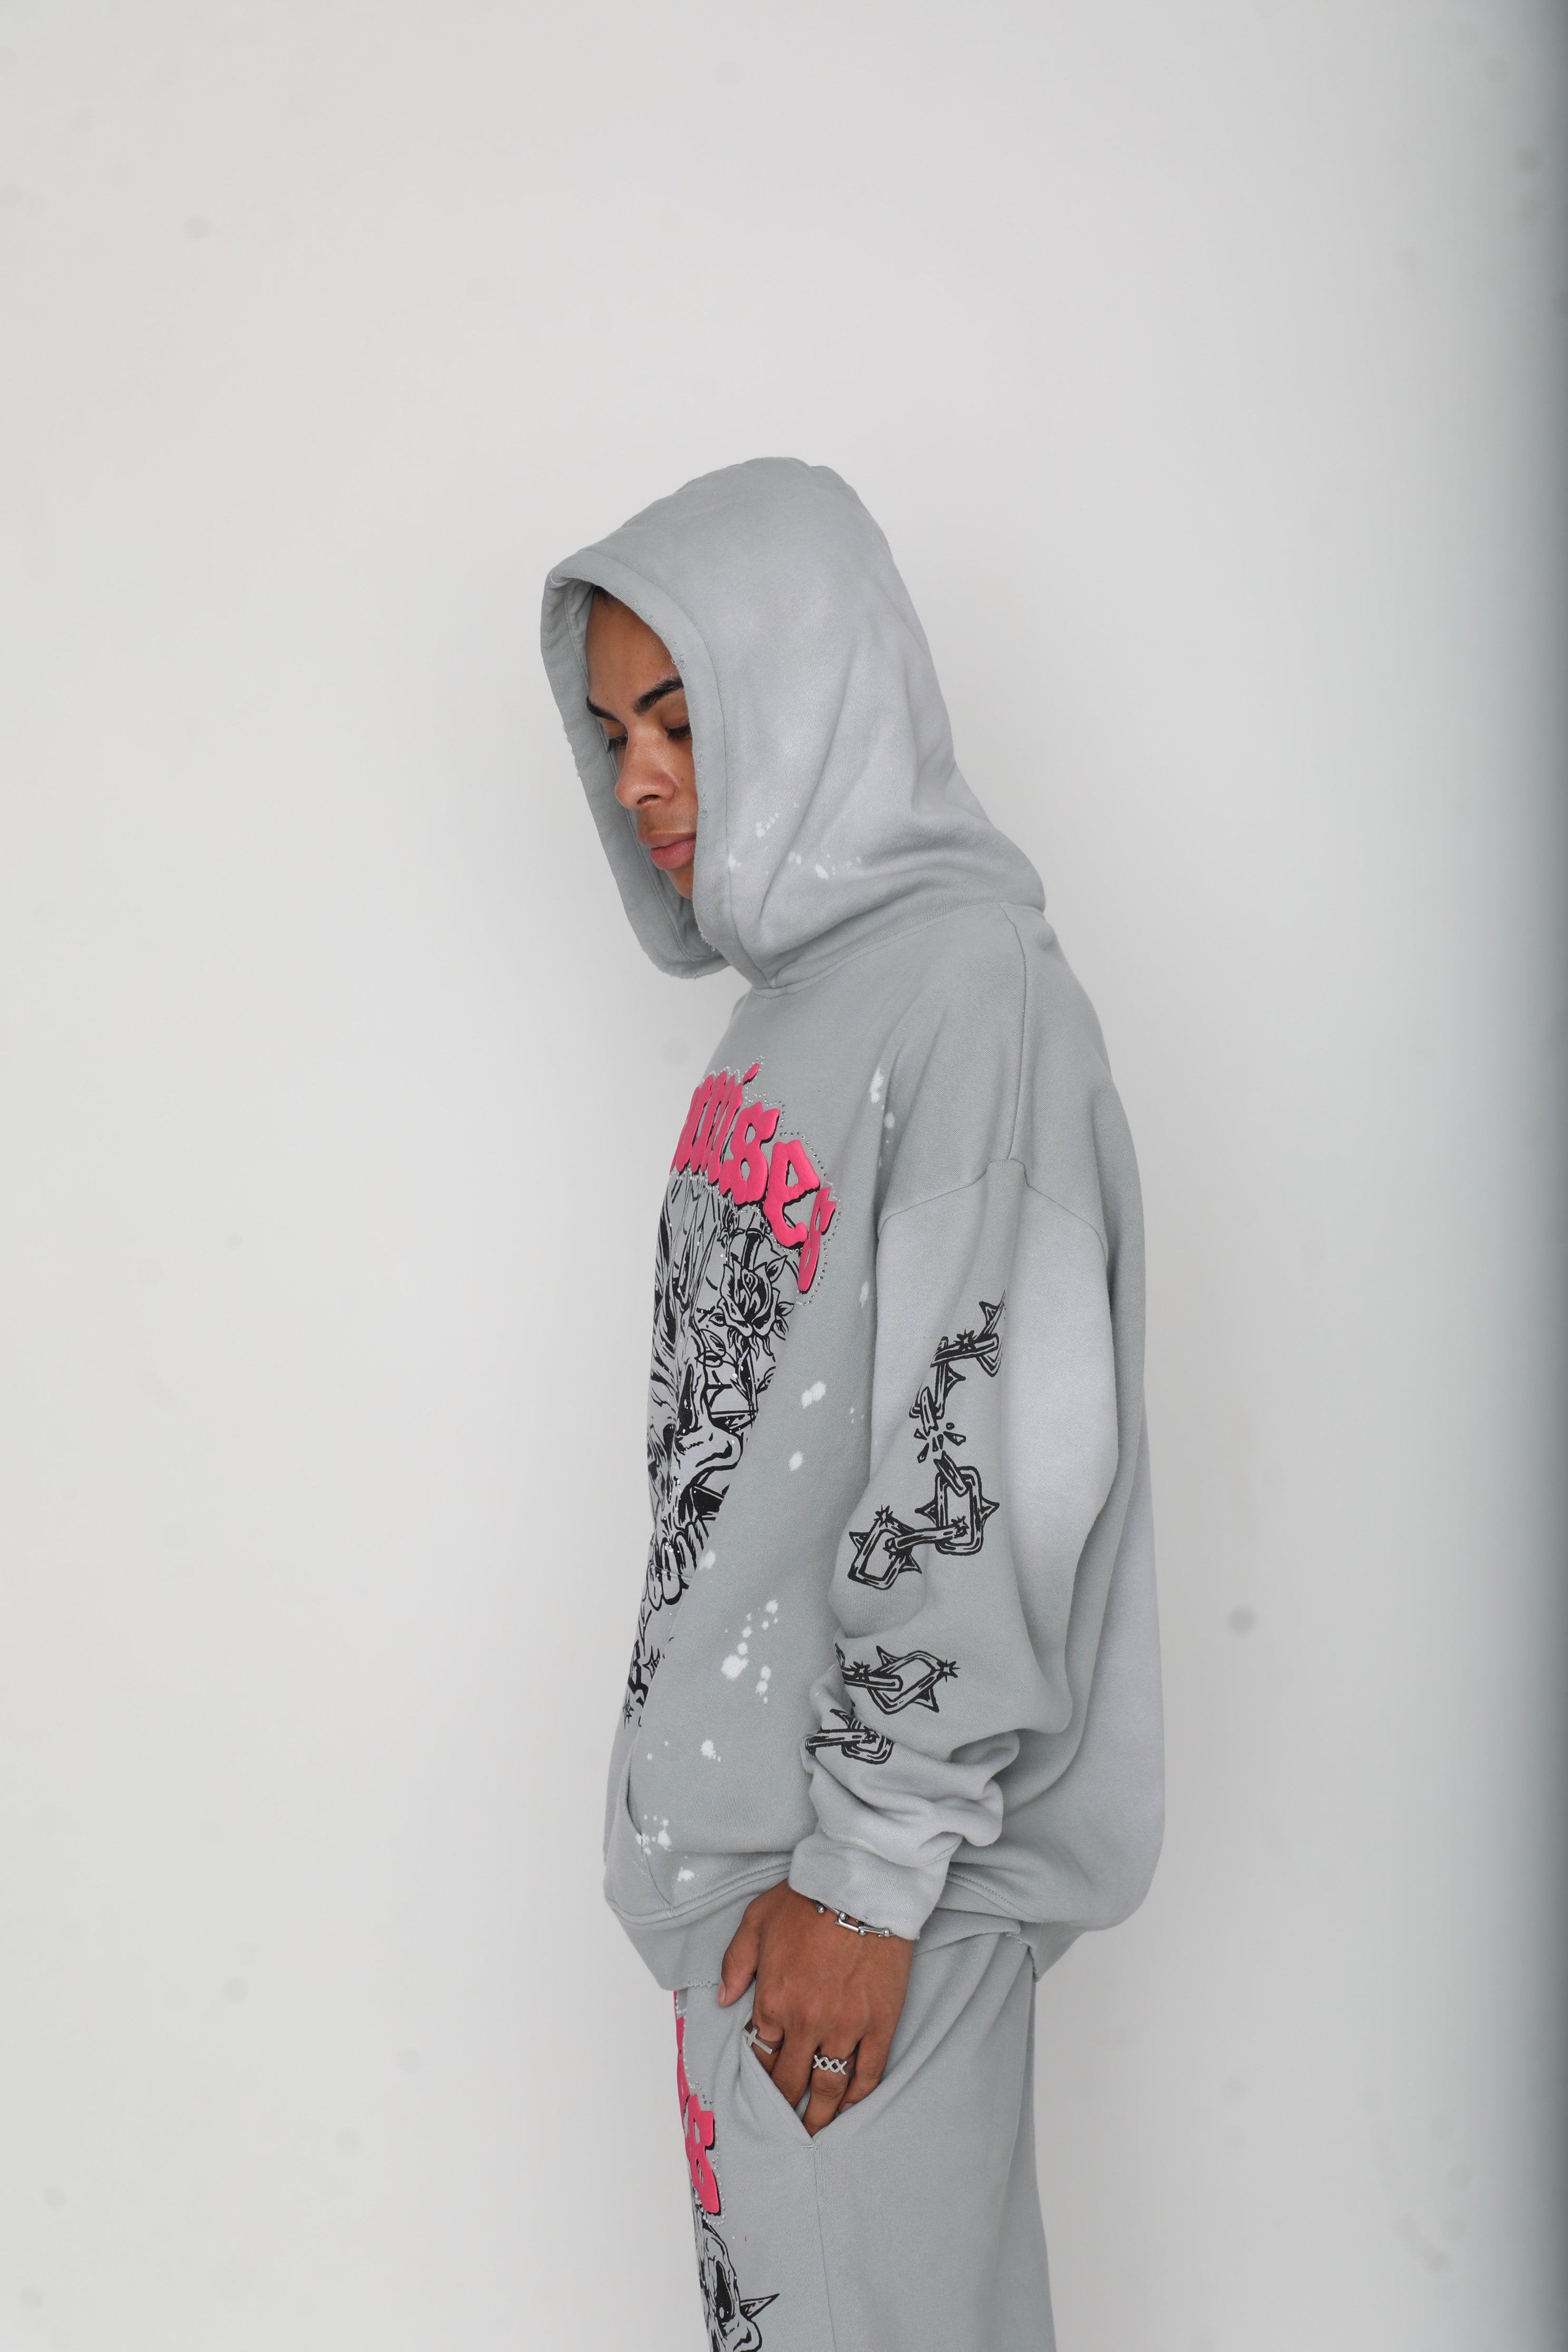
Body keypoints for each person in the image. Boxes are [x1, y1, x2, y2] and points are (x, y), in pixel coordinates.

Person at [540, 459, 1162, 2352]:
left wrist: (869, 1883)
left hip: (863, 1916)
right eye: (614, 736)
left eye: (682, 719)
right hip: (760, 1911)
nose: (641, 783)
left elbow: (990, 1456)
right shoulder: (794, 1010)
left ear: (810, 691)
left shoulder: (973, 995)